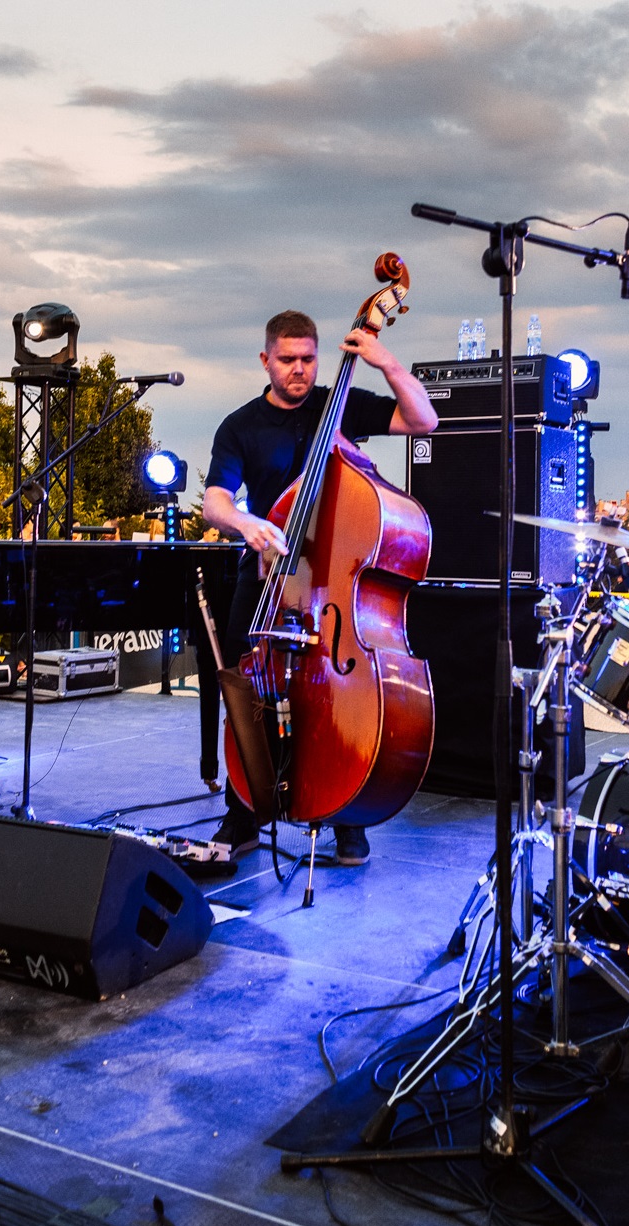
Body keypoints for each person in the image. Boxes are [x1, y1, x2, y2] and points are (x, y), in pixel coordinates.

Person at [201, 308, 437, 864]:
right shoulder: (240, 426)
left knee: (334, 699)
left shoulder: (340, 404)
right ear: (266, 360)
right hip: (270, 577)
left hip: (336, 583)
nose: (300, 370)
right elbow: (215, 502)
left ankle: (344, 812)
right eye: (287, 360)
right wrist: (248, 524)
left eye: (308, 358)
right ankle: (244, 809)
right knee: (249, 691)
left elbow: (423, 420)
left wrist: (385, 362)